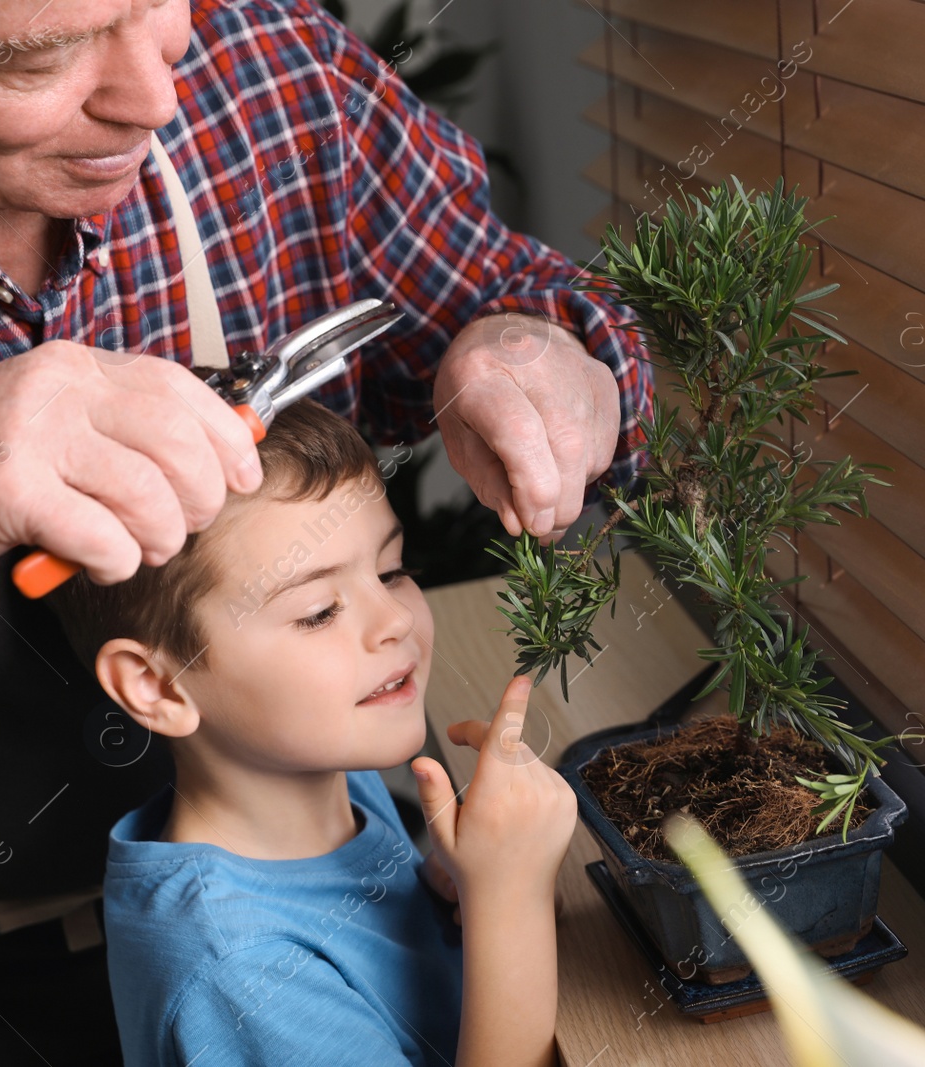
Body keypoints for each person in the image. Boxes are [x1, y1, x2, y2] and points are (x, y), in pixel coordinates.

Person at [0, 0, 650, 1061]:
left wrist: (534, 348)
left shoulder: (269, 73)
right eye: (41, 56)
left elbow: (514, 290)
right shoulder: (234, 974)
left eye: (158, 14)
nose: (153, 100)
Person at [44, 396, 575, 1066]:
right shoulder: (242, 971)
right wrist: (511, 901)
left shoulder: (323, 772)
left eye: (391, 570)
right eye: (319, 611)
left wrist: (479, 889)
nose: (394, 620)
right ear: (158, 686)